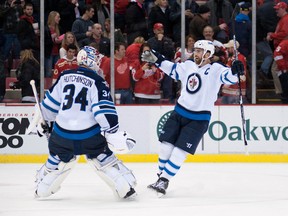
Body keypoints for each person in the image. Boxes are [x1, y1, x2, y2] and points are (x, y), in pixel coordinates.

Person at [32, 46, 137, 199]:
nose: (98, 63)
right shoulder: (97, 81)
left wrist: (44, 123)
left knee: (58, 155)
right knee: (103, 156)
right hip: (89, 138)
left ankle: (41, 187)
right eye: (97, 60)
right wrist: (112, 132)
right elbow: (104, 112)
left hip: (62, 137)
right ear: (91, 61)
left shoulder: (64, 76)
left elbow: (48, 108)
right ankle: (125, 188)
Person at [141, 40, 244, 196]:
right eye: (195, 50)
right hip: (179, 112)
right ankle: (161, 176)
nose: (195, 54)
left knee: (179, 151)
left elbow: (229, 77)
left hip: (199, 118)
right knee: (165, 146)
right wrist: (159, 60)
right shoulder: (188, 66)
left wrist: (235, 71)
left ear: (208, 54)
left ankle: (164, 180)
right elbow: (173, 69)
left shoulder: (216, 69)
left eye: (199, 51)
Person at [221, 39, 248, 104]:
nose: (227, 50)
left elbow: (241, 75)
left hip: (235, 92)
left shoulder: (239, 58)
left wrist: (228, 83)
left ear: (233, 48)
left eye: (229, 48)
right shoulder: (232, 58)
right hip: (229, 92)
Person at [273, 39, 288, 104]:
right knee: (286, 92)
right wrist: (283, 67)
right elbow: (277, 54)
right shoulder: (285, 43)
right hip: (285, 72)